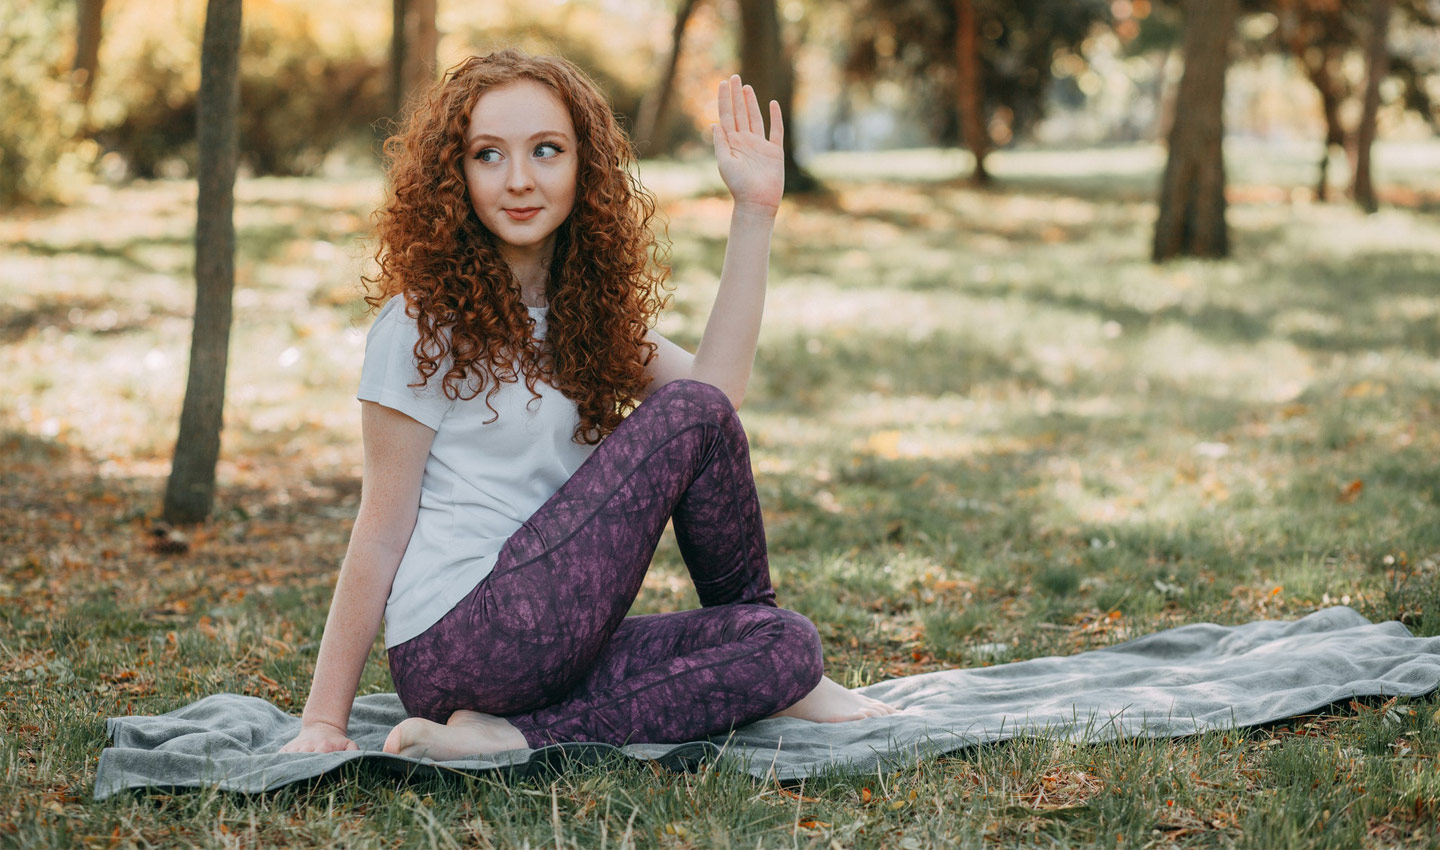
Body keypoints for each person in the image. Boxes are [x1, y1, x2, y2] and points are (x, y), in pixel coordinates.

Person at [280, 48, 895, 760]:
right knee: (690, 414)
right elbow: (380, 528)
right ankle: (745, 668)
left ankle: (511, 736)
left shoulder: (583, 315)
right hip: (461, 639)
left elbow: (718, 399)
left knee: (784, 644)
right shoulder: (422, 325)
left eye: (547, 150)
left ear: (585, 168)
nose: (519, 179)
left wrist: (753, 212)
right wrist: (323, 720)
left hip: (558, 644)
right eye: (488, 155)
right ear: (454, 173)